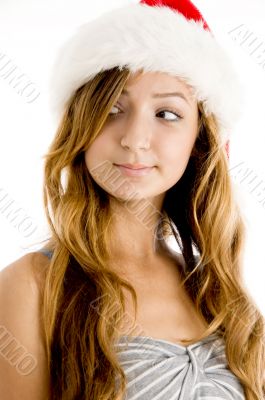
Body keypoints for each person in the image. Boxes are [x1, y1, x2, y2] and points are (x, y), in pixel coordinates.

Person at [0, 0, 264, 399]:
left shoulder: (218, 291)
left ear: (200, 140)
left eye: (167, 113)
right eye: (112, 108)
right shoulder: (33, 287)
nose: (134, 139)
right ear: (81, 124)